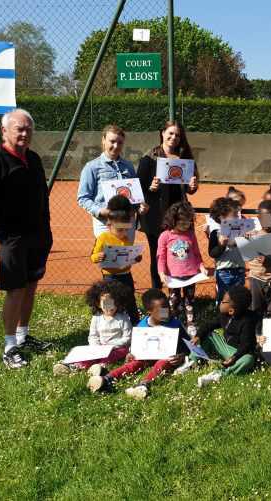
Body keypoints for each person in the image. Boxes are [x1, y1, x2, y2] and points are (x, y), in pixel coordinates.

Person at [0, 109, 53, 369]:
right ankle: (9, 346)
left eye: (28, 129)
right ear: (5, 131)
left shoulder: (33, 159)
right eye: (19, 129)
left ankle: (23, 336)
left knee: (31, 285)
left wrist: (46, 231)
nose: (24, 133)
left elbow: (43, 197)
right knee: (16, 289)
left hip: (38, 237)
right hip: (13, 240)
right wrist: (4, 238)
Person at [87, 288, 190, 400]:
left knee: (163, 362)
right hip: (146, 357)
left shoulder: (175, 324)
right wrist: (131, 354)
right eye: (162, 310)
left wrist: (181, 356)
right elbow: (135, 348)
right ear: (149, 312)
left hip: (166, 358)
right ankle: (107, 379)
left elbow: (188, 347)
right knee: (135, 363)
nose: (167, 312)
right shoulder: (142, 327)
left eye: (168, 308)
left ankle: (143, 385)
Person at [137, 121, 199, 289]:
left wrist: (192, 187)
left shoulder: (184, 159)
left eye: (177, 135)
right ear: (162, 133)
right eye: (170, 133)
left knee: (180, 254)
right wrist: (151, 188)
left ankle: (177, 296)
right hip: (155, 216)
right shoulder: (148, 159)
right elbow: (138, 188)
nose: (174, 137)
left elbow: (189, 189)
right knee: (158, 256)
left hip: (179, 216)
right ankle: (157, 294)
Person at [76, 124, 146, 238]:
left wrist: (140, 207)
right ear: (103, 140)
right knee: (107, 255)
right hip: (105, 223)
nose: (116, 145)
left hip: (127, 221)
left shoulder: (128, 166)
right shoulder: (92, 167)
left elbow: (135, 195)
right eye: (112, 141)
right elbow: (82, 198)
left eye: (120, 142)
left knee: (125, 254)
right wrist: (100, 211)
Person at [53, 280, 133, 375]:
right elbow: (93, 336)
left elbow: (128, 337)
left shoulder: (123, 318)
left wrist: (111, 346)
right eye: (105, 303)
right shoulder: (96, 318)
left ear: (118, 302)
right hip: (99, 347)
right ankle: (73, 366)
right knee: (87, 355)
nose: (109, 307)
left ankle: (100, 367)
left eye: (112, 303)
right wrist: (96, 347)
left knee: (111, 356)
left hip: (117, 348)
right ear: (98, 304)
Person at [89, 195, 142, 323]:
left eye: (126, 229)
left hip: (126, 275)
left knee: (130, 300)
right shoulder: (103, 238)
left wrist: (136, 258)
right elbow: (93, 256)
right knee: (111, 302)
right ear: (109, 225)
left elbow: (129, 257)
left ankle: (135, 324)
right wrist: (98, 257)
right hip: (110, 277)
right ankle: (110, 324)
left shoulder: (125, 239)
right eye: (119, 229)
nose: (123, 232)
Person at [157, 201, 207, 332]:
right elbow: (160, 257)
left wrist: (201, 267)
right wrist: (162, 273)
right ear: (173, 220)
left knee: (190, 301)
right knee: (173, 301)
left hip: (191, 276)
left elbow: (196, 254)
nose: (186, 225)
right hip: (173, 278)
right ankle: (168, 322)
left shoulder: (190, 234)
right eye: (182, 222)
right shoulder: (165, 236)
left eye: (189, 222)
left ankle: (191, 323)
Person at [196, 285, 259, 387]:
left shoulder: (248, 321)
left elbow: (246, 344)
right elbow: (209, 325)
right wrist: (198, 336)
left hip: (238, 353)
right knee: (208, 335)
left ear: (231, 310)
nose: (220, 302)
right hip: (225, 346)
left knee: (248, 360)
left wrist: (234, 357)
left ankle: (219, 375)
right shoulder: (224, 316)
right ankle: (192, 361)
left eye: (223, 301)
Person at [208, 197, 246, 305]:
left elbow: (245, 250)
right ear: (222, 217)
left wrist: (247, 239)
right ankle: (223, 317)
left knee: (238, 299)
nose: (237, 217)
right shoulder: (216, 233)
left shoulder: (240, 231)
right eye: (234, 215)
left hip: (239, 270)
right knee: (224, 298)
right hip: (224, 272)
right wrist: (221, 246)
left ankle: (237, 316)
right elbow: (212, 253)